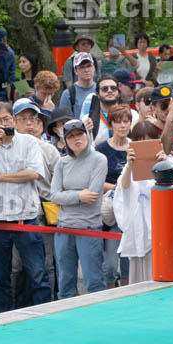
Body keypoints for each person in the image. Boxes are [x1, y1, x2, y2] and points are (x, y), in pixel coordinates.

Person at [0, 102, 51, 312]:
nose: (4, 124)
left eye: (7, 119)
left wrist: (1, 177)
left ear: (14, 120)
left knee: (38, 275)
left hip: (25, 218)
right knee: (0, 277)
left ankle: (45, 316)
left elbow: (33, 173)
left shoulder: (29, 142)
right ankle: (4, 317)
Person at [115, 121, 173, 284]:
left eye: (149, 140)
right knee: (141, 278)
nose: (145, 144)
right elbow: (123, 188)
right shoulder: (130, 163)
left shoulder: (169, 161)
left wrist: (167, 165)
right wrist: (129, 166)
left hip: (161, 223)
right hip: (140, 226)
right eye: (140, 140)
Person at [50, 119, 108, 298]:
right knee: (65, 281)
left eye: (80, 134)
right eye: (71, 136)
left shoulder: (99, 159)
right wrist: (78, 195)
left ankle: (98, 312)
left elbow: (92, 195)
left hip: (89, 226)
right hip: (64, 226)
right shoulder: (62, 163)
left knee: (94, 280)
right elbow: (54, 195)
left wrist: (68, 195)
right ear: (65, 140)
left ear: (87, 135)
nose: (77, 139)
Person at [12, 98, 59, 301]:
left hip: (42, 214)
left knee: (46, 264)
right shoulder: (5, 148)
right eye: (23, 119)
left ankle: (48, 304)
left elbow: (60, 182)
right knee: (15, 266)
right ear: (14, 122)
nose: (29, 123)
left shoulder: (48, 149)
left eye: (33, 118)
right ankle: (14, 306)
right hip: (13, 214)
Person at [95, 104, 132, 287]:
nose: (122, 126)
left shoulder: (135, 146)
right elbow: (96, 181)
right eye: (118, 122)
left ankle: (127, 294)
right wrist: (119, 188)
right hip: (109, 212)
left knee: (128, 264)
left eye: (126, 121)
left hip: (131, 209)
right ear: (110, 125)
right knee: (109, 265)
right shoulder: (101, 149)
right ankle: (109, 292)